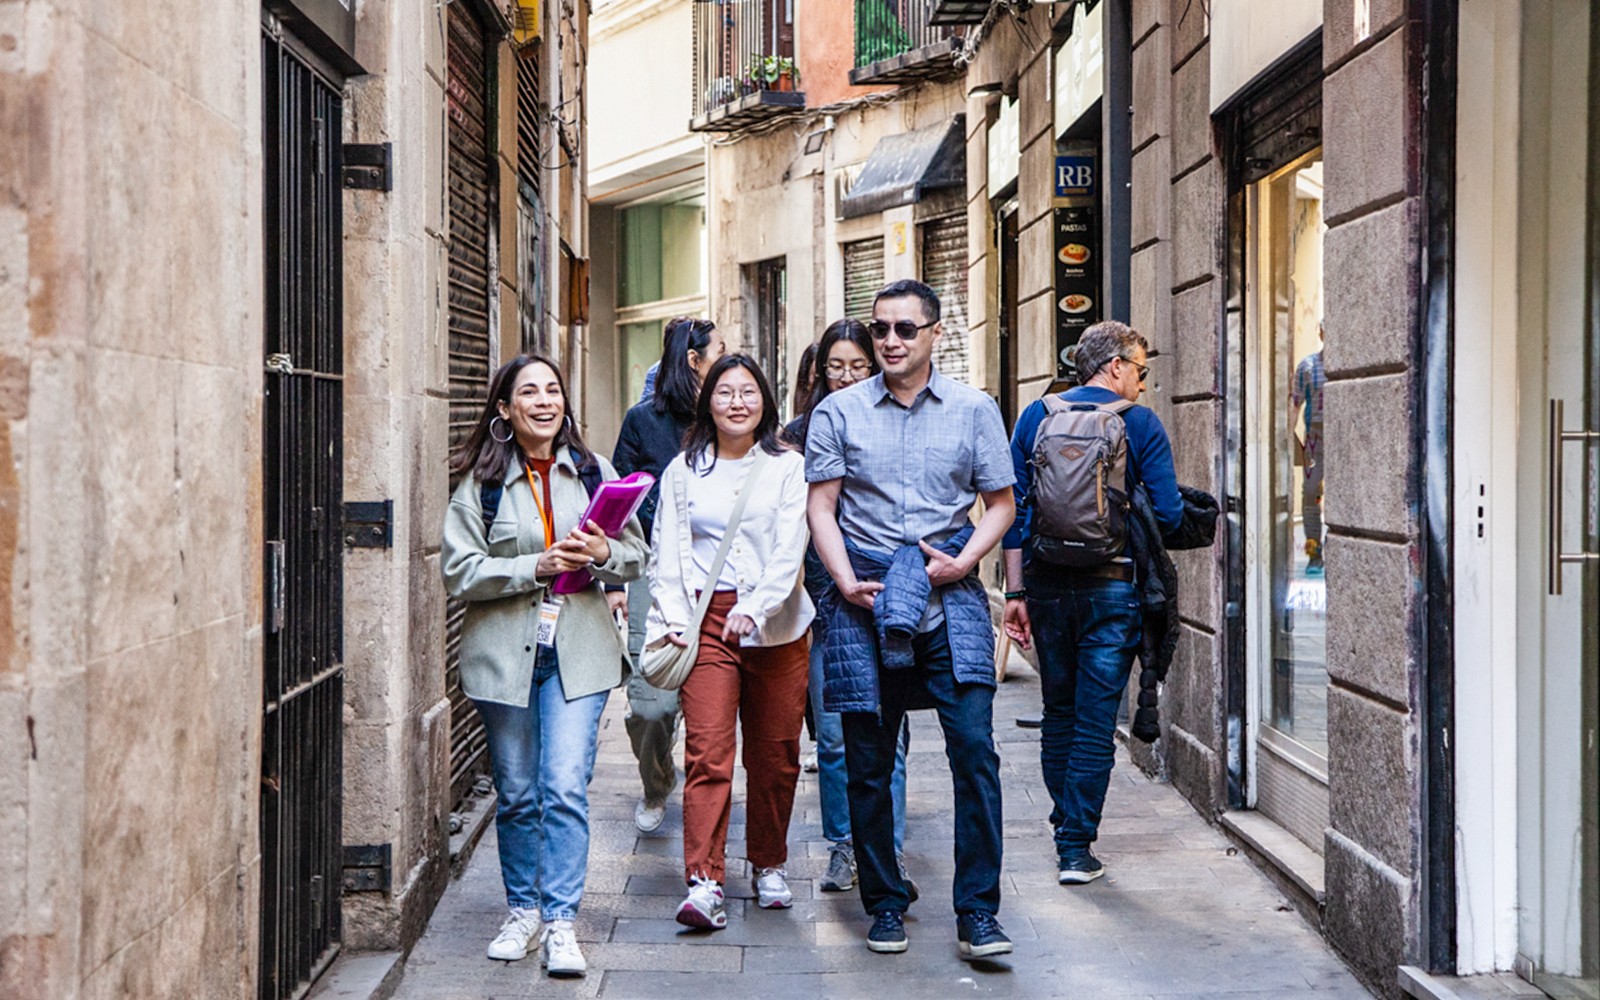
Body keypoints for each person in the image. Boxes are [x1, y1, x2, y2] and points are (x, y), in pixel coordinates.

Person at [805, 279, 1017, 959]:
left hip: (948, 596)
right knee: (867, 763)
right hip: (864, 596)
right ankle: (886, 902)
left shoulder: (974, 409)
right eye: (881, 330)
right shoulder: (838, 412)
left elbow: (1003, 505)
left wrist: (965, 564)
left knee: (976, 756)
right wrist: (841, 579)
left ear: (934, 335)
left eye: (905, 329)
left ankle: (978, 913)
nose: (890, 341)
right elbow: (821, 506)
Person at [441, 355, 648, 978]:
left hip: (577, 654)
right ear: (504, 409)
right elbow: (458, 571)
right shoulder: (479, 482)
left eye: (553, 389)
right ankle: (522, 911)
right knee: (518, 793)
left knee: (562, 787)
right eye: (527, 391)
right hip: (504, 655)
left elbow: (636, 555)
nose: (543, 400)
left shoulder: (593, 471)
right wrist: (532, 568)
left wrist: (603, 550)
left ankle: (561, 922)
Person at [1000, 321, 1182, 886]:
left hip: (1047, 585)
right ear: (1116, 367)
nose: (1143, 384)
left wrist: (1014, 593)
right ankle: (1076, 847)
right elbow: (1171, 518)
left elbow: (1011, 512)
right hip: (1112, 586)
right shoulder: (1140, 424)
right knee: (1095, 719)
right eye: (1141, 371)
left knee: (1060, 710)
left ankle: (1065, 824)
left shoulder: (1036, 416)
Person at [646, 354, 814, 928]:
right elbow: (665, 548)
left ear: (765, 401)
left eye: (748, 392)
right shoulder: (683, 470)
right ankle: (704, 881)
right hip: (704, 622)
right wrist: (673, 615)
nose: (737, 402)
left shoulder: (788, 468)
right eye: (725, 392)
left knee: (776, 754)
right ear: (707, 403)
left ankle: (768, 862)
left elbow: (792, 547)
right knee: (708, 751)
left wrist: (756, 607)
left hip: (778, 625)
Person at [784, 320, 914, 897]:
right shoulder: (794, 436)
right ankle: (844, 847)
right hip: (820, 607)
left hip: (886, 600)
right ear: (818, 372)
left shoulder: (894, 426)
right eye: (835, 366)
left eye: (857, 366)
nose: (845, 376)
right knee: (834, 735)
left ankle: (890, 850)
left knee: (892, 736)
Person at [612, 318, 727, 833]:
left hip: (721, 574)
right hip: (653, 575)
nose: (729, 357)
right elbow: (615, 507)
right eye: (720, 350)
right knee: (651, 706)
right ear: (693, 359)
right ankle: (657, 781)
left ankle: (708, 795)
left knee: (713, 701)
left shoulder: (731, 418)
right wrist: (614, 584)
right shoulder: (641, 422)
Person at [1292, 325, 1326, 574]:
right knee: (1310, 493)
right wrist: (1286, 438)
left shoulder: (1345, 367)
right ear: (1320, 333)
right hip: (1315, 437)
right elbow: (1295, 403)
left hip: (1343, 435)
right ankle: (1314, 554)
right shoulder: (1308, 366)